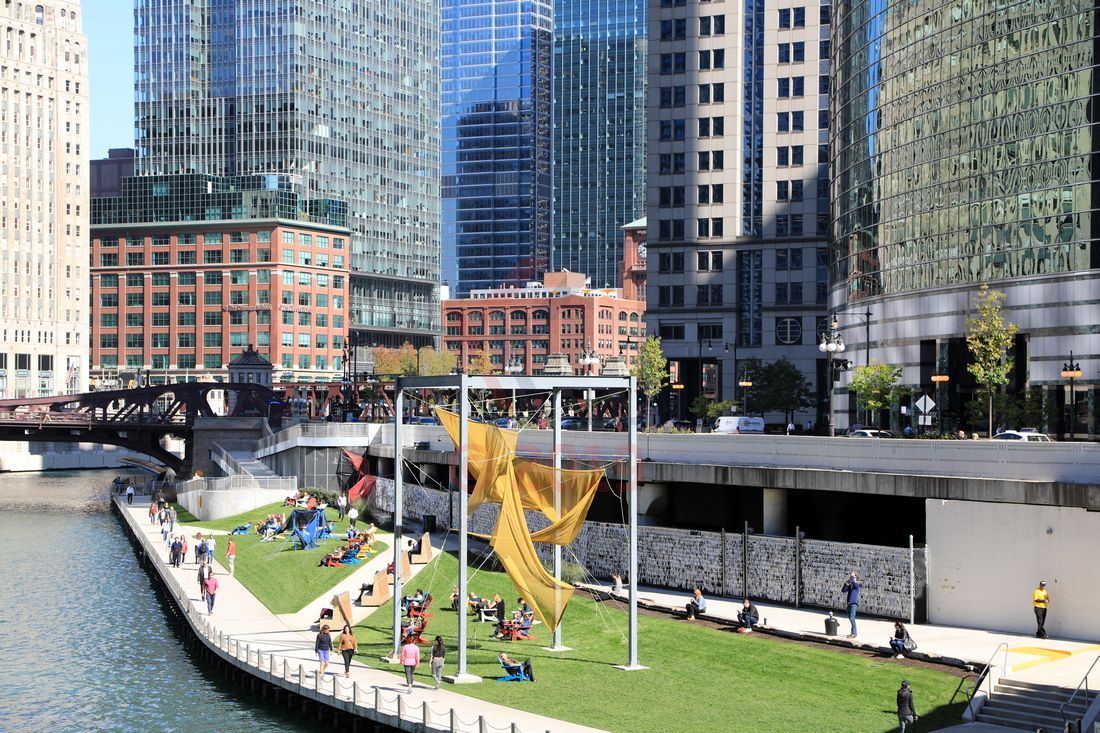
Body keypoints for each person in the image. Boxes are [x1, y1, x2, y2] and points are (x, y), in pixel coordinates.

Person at [842, 572, 861, 638]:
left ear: (856, 578)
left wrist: (852, 576)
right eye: (851, 577)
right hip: (849, 604)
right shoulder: (850, 586)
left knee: (852, 618)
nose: (851, 578)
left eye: (852, 577)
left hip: (853, 604)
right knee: (850, 618)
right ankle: (852, 633)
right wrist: (846, 584)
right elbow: (843, 590)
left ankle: (854, 634)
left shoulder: (857, 585)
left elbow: (853, 582)